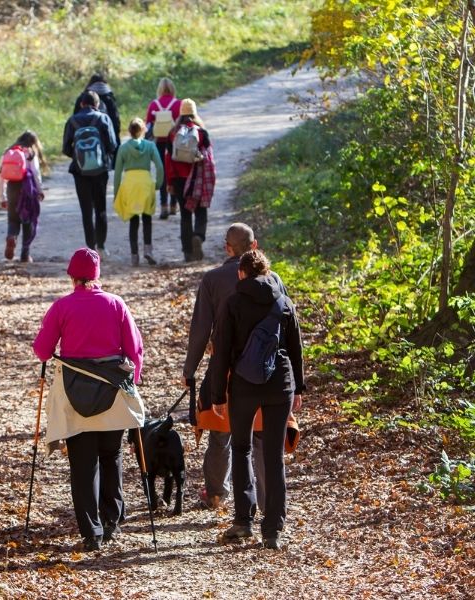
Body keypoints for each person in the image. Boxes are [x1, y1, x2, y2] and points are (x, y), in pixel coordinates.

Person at [33, 248, 145, 552]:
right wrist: (132, 384)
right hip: (112, 394)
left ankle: (91, 532)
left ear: (71, 276)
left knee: (83, 464)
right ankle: (112, 520)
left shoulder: (61, 307)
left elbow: (43, 351)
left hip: (74, 395)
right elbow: (135, 351)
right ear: (98, 275)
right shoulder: (116, 304)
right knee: (111, 455)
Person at [181, 224, 285, 510]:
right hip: (266, 368)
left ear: (227, 248)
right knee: (262, 436)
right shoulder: (274, 279)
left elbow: (201, 329)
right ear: (255, 247)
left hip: (226, 368)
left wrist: (190, 370)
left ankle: (216, 493)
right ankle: (266, 503)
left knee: (222, 432)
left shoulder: (213, 279)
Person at [209, 248, 306, 550]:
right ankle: (273, 529)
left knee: (241, 448)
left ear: (241, 273)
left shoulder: (233, 303)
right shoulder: (283, 302)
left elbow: (221, 350)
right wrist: (299, 388)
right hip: (280, 384)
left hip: (244, 385)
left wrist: (216, 394)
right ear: (266, 271)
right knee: (274, 457)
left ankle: (243, 520)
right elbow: (295, 347)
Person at [63, 91, 118, 258]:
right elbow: (112, 145)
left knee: (86, 210)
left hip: (80, 172)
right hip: (100, 171)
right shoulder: (103, 119)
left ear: (81, 104)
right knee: (100, 208)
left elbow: (66, 149)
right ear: (97, 104)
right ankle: (101, 247)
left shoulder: (72, 121)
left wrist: (80, 158)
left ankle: (91, 248)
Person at [164, 98, 216, 262]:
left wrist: (170, 182)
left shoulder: (173, 133)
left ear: (180, 113)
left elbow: (168, 160)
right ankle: (198, 237)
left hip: (179, 180)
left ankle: (187, 252)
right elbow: (209, 159)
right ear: (194, 113)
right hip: (196, 179)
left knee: (185, 215)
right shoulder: (201, 132)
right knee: (201, 211)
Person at [113, 117, 164, 266]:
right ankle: (148, 250)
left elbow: (117, 173)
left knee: (133, 220)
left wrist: (117, 192)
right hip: (146, 183)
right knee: (147, 218)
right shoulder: (150, 146)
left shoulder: (123, 148)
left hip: (130, 184)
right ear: (143, 130)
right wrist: (157, 184)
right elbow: (160, 167)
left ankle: (134, 255)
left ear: (129, 131)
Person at [0, 130, 47, 262]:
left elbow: (0, 176)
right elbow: (36, 173)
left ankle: (11, 236)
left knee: (13, 219)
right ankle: (25, 254)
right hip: (27, 189)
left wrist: (2, 197)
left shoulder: (9, 152)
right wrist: (40, 190)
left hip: (12, 188)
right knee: (28, 221)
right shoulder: (30, 153)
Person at [145, 77, 181, 220]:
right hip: (174, 142)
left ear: (159, 89)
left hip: (159, 142)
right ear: (172, 89)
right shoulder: (178, 104)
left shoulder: (154, 105)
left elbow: (148, 125)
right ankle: (174, 204)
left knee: (162, 172)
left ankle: (163, 205)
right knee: (174, 172)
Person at [73, 73, 121, 163]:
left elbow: (74, 117)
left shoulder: (83, 97)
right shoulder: (109, 97)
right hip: (103, 138)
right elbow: (115, 121)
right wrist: (114, 145)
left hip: (83, 139)